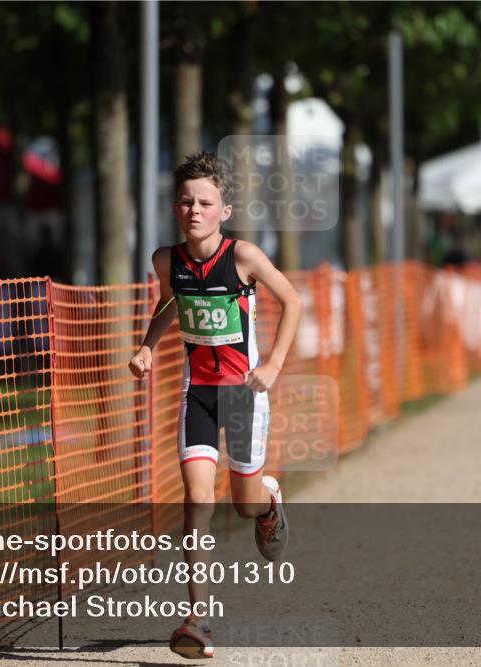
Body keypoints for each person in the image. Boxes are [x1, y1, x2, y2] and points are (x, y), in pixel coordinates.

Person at [128, 152, 301, 660]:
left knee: (244, 504)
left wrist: (273, 366)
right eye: (186, 202)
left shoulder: (243, 256)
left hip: (244, 394)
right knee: (197, 500)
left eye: (205, 203)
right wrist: (147, 345)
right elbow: (169, 302)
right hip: (198, 394)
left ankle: (268, 503)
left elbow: (292, 301)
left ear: (224, 210)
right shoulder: (167, 261)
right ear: (174, 208)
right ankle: (197, 619)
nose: (195, 211)